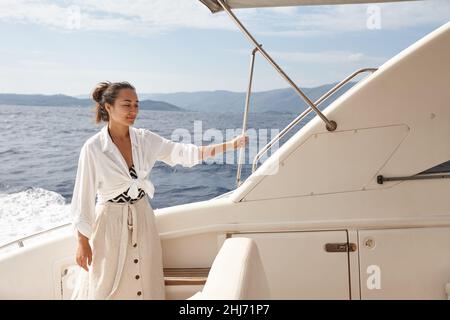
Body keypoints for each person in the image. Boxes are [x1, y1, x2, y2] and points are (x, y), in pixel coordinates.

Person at [70, 81, 248, 300]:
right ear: (108, 107)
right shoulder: (94, 147)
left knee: (146, 279)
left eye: (136, 105)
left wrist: (230, 145)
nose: (133, 110)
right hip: (109, 224)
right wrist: (82, 242)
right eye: (127, 105)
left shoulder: (145, 139)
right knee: (108, 283)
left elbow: (184, 154)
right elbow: (83, 197)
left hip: (143, 216)